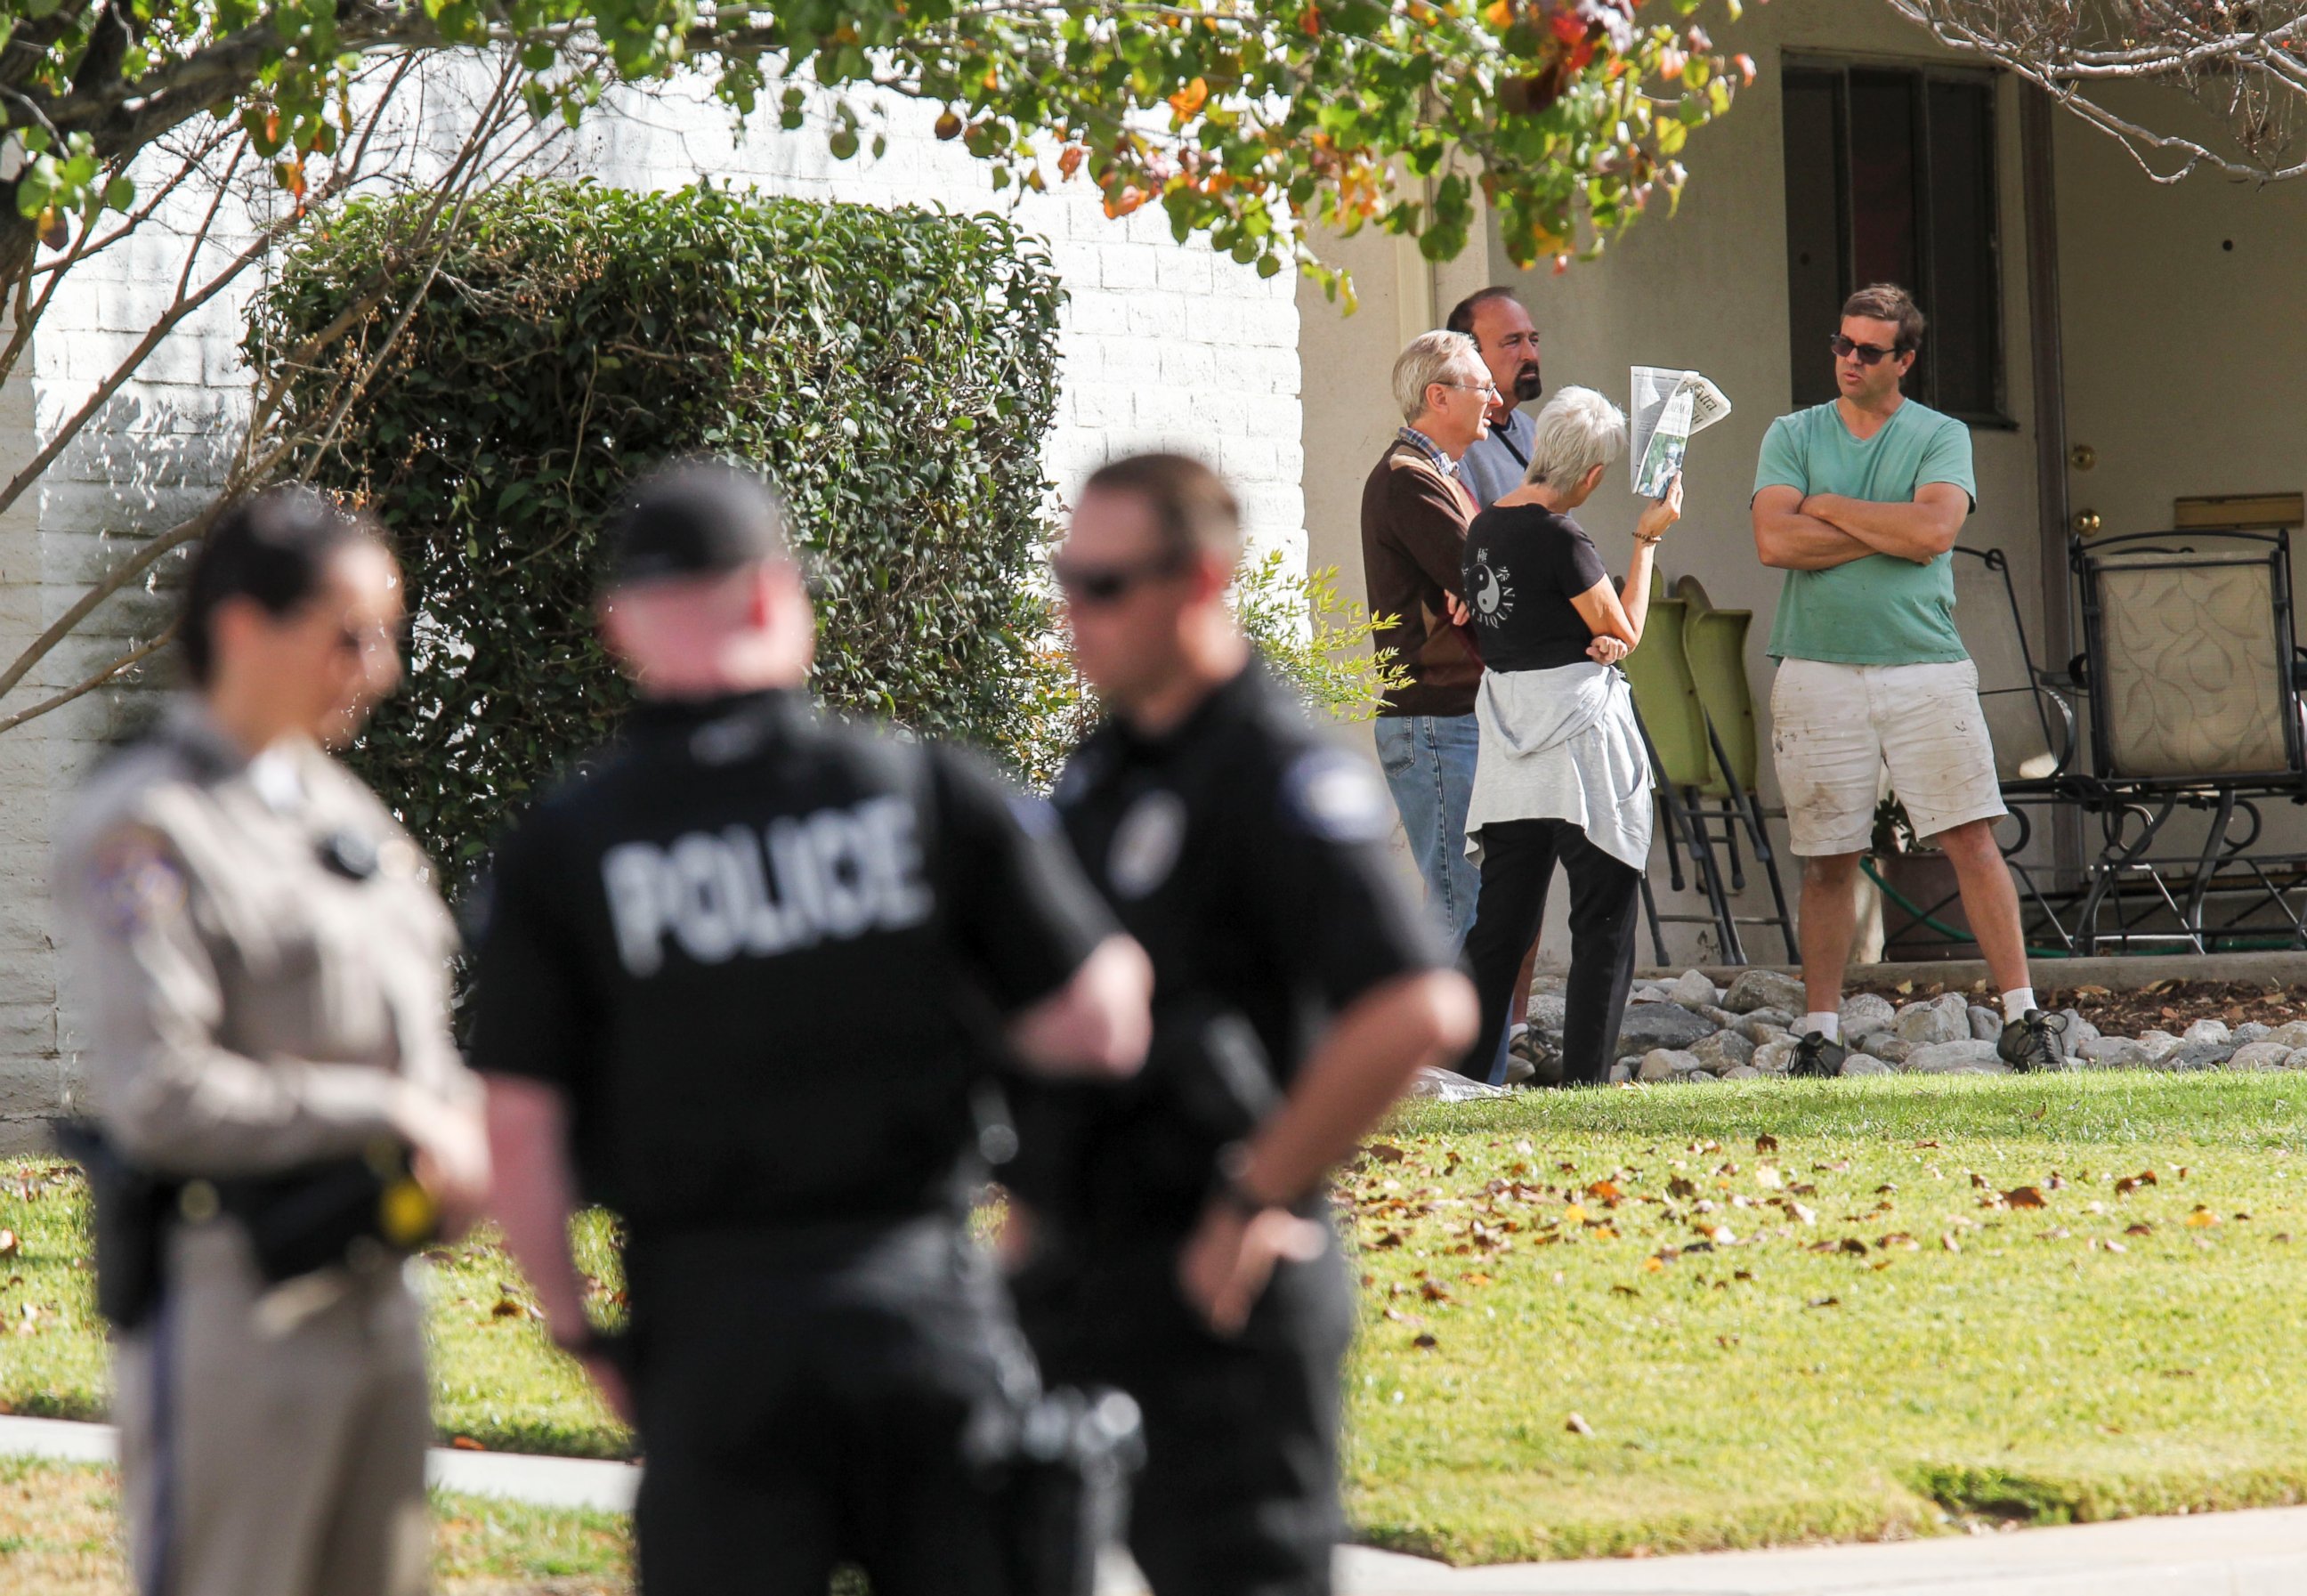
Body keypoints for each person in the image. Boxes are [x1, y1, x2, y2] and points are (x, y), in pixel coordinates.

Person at [471, 462, 1154, 1595]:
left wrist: (581, 1329)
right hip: (920, 1305)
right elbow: (1103, 1022)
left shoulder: (566, 844)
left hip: (711, 1331)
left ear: (621, 627)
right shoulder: (923, 793)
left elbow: (518, 1124)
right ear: (775, 597)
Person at [1008, 452, 1480, 1596]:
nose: (1076, 609)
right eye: (1069, 579)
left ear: (1202, 579)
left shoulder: (1276, 769)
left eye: (1105, 584)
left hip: (1224, 1289)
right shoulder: (1104, 769)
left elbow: (1419, 1003)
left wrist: (1256, 1191)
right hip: (1082, 1272)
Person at [53, 486, 490, 1596]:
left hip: (381, 1297)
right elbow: (160, 1089)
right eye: (351, 634)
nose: (380, 669)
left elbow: (415, 1024)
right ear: (244, 627)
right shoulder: (149, 825)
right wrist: (390, 1115)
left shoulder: (348, 819)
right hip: (239, 1311)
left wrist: (457, 1129)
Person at [1751, 283, 2063, 1075]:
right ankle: (1820, 1029)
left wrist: (1830, 508)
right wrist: (1883, 526)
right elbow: (1774, 543)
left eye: (1869, 350)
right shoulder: (1792, 432)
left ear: (1905, 360)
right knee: (1828, 851)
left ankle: (2023, 1017)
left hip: (1925, 664)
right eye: (1841, 343)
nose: (1849, 360)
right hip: (1815, 666)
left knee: (1969, 835)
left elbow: (1933, 532)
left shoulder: (1940, 433)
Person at [1456, 389, 1681, 1087]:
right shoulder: (1562, 536)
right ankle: (1585, 1086)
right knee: (1602, 921)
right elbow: (1626, 632)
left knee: (1499, 930)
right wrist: (1647, 539)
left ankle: (1461, 1077)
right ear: (1590, 475)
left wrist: (1592, 637)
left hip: (1509, 743)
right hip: (1579, 745)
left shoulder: (1484, 526)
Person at [1361, 328, 1495, 950]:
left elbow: (1481, 585)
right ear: (1438, 398)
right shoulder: (1408, 479)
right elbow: (1492, 582)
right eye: (1482, 385)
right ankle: (1435, 1050)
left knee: (1470, 900)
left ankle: (1468, 1049)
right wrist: (1477, 585)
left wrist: (1478, 585)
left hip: (1450, 719)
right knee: (1456, 902)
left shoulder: (1438, 476)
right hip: (1434, 720)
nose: (1494, 397)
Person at [1446, 287, 1546, 512]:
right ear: (1469, 356)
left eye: (1533, 339)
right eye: (1512, 342)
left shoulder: (1532, 430)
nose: (1530, 354)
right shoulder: (1457, 442)